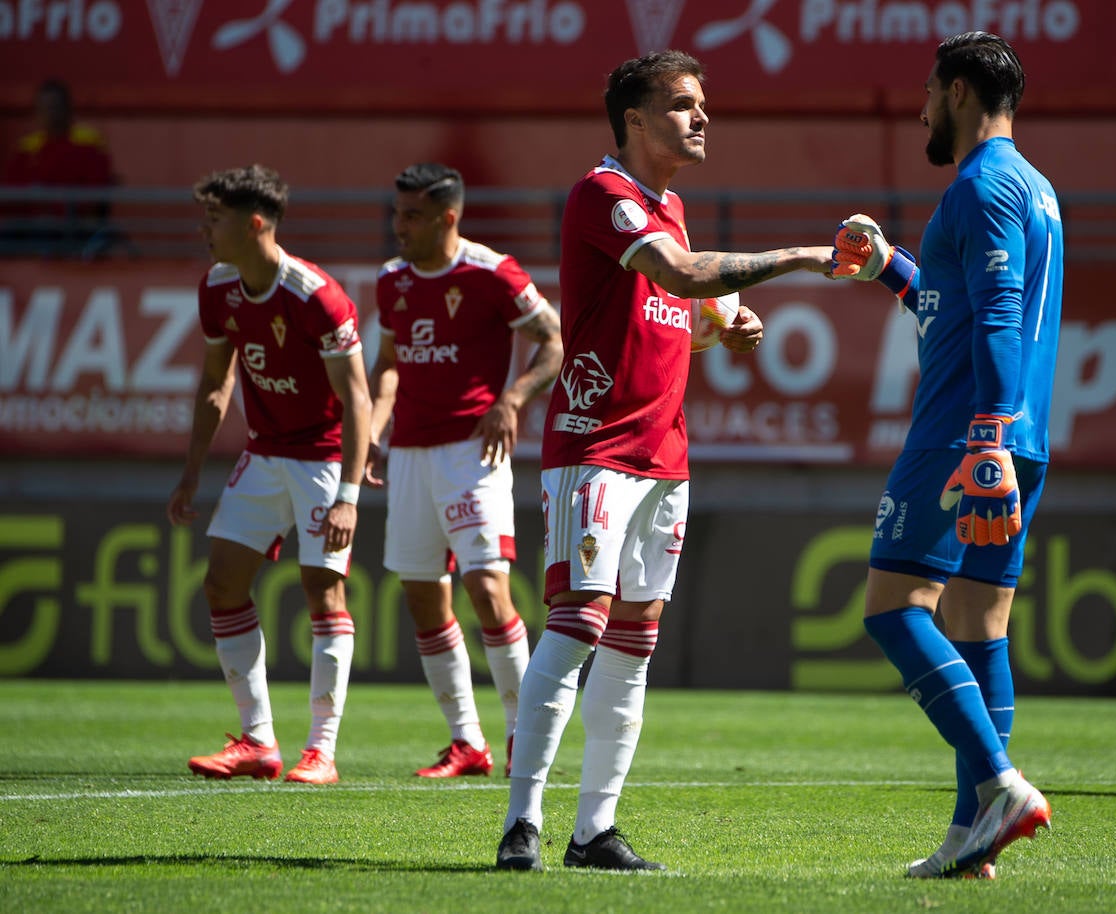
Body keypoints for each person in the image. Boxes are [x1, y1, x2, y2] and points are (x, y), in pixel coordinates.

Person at [495, 49, 837, 872]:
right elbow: (675, 272)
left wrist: (727, 323)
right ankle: (521, 824)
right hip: (597, 446)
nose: (702, 115)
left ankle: (594, 832)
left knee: (634, 642)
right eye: (683, 104)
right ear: (637, 121)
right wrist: (797, 257)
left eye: (703, 102)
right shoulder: (600, 195)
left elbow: (670, 304)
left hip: (665, 457)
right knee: (577, 628)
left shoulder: (670, 205)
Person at [831, 31, 1061, 879]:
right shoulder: (1034, 188)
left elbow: (998, 313)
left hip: (967, 436)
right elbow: (953, 305)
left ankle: (1000, 786)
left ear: (959, 92)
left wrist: (986, 437)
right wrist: (890, 266)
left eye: (930, 93)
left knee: (894, 606)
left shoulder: (981, 187)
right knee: (979, 624)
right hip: (1020, 436)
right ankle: (974, 836)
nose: (923, 109)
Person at [168, 164, 372, 786]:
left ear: (255, 223)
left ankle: (323, 751)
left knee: (322, 593)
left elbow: (358, 400)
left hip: (322, 459)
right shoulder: (217, 287)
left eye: (216, 219)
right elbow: (214, 383)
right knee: (221, 585)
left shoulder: (316, 296)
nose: (206, 230)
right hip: (262, 453)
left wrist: (349, 496)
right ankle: (257, 740)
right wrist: (192, 473)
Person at [365, 163, 562, 779]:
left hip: (473, 453)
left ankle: (519, 735)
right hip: (410, 455)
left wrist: (511, 401)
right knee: (423, 596)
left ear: (448, 217)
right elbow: (390, 364)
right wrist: (374, 431)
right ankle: (466, 742)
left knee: (486, 589)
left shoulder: (492, 272)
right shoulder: (391, 280)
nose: (400, 227)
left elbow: (554, 341)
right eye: (396, 214)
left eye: (412, 216)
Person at [1, 78, 116, 256]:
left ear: (68, 109)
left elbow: (94, 195)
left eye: (55, 107)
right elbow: (11, 198)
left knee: (46, 237)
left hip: (73, 226)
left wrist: (55, 209)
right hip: (31, 225)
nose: (50, 113)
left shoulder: (89, 143)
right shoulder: (27, 148)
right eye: (43, 108)